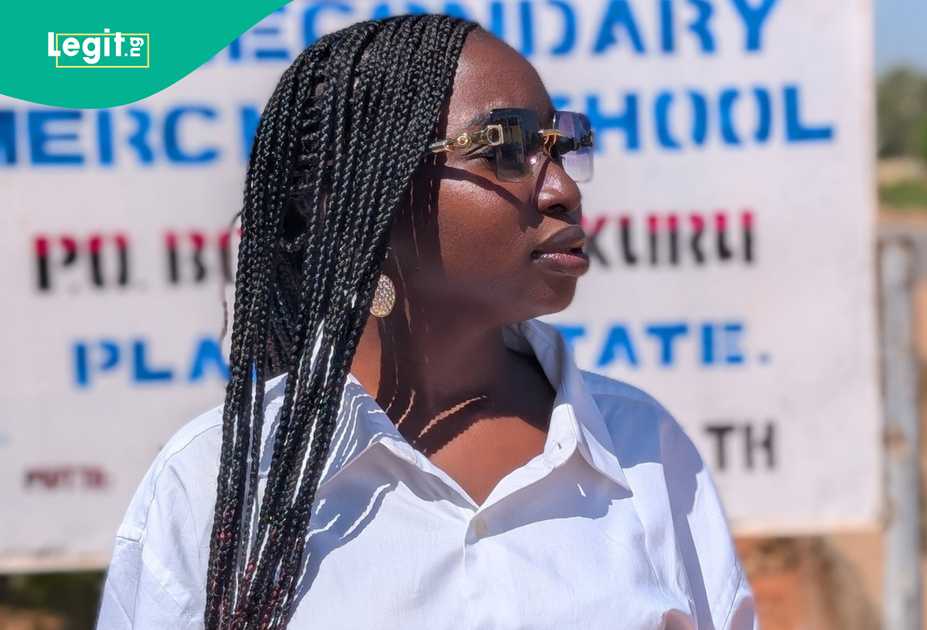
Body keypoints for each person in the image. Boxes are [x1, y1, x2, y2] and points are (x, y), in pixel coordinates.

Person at [95, 14, 757, 630]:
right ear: (361, 195)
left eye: (562, 145)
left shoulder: (642, 449)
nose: (562, 189)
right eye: (505, 147)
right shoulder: (218, 484)